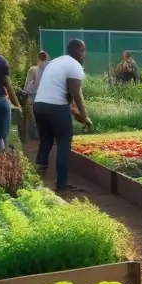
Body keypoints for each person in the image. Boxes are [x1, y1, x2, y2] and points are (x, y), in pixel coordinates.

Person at [34, 39, 93, 192]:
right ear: (79, 51)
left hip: (39, 105)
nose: (84, 55)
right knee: (64, 142)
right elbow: (76, 94)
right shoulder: (75, 65)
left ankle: (38, 177)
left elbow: (63, 94)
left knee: (46, 140)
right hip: (55, 106)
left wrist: (74, 112)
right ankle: (61, 184)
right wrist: (86, 117)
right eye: (84, 51)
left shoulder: (56, 62)